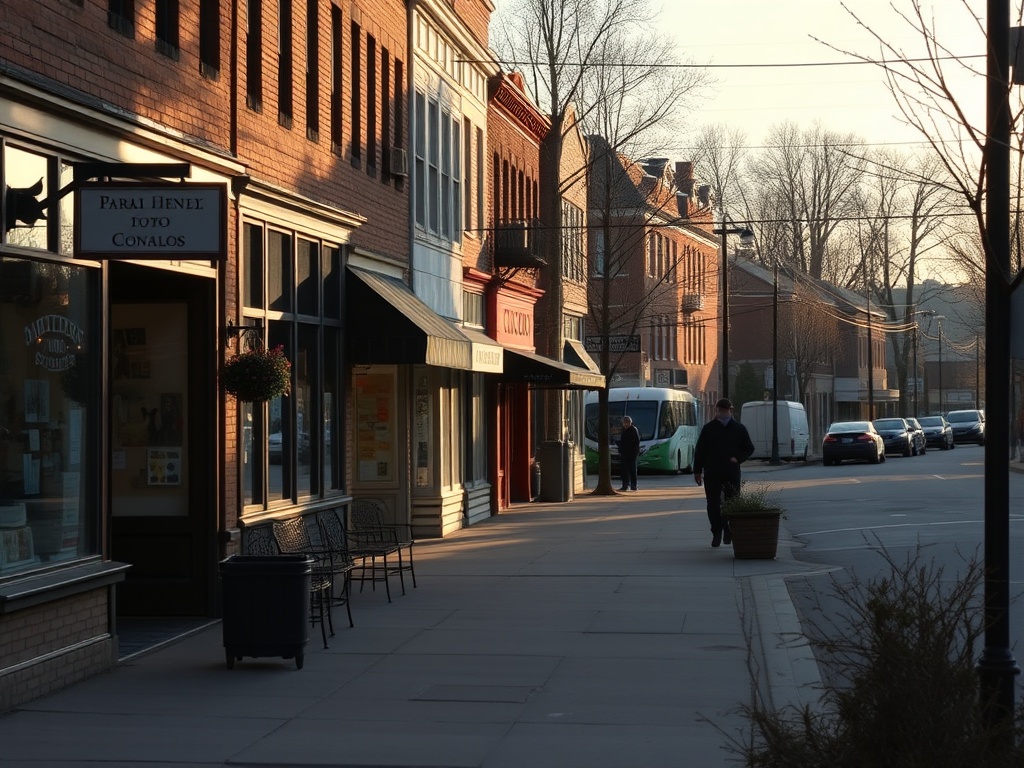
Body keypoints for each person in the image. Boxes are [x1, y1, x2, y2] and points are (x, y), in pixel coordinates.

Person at [693, 398, 755, 548]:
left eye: (726, 411)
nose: (723, 413)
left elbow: (749, 447)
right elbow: (700, 451)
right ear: (717, 410)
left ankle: (728, 529)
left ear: (730, 411)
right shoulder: (709, 429)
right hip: (712, 471)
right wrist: (697, 471)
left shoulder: (739, 428)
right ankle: (717, 531)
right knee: (712, 504)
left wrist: (738, 459)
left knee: (732, 502)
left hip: (731, 471)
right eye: (721, 410)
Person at [617, 415, 641, 491]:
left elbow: (637, 442)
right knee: (624, 470)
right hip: (624, 453)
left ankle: (634, 485)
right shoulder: (623, 430)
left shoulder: (633, 430)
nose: (626, 424)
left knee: (632, 469)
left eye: (628, 422)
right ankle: (625, 485)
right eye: (625, 422)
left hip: (631, 453)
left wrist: (635, 451)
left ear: (631, 423)